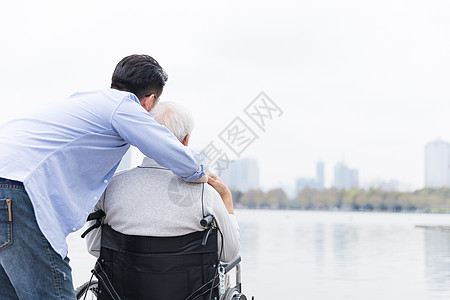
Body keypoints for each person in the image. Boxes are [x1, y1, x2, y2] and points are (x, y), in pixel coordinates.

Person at [0, 55, 207, 299]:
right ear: (149, 101)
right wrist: (203, 173)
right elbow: (173, 153)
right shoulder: (124, 107)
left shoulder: (86, 101)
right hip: (17, 191)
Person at [86, 101, 240, 262]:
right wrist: (227, 200)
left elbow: (95, 247)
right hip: (189, 285)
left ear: (144, 137)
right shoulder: (206, 194)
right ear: (186, 140)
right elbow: (228, 254)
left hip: (122, 285)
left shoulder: (110, 187)